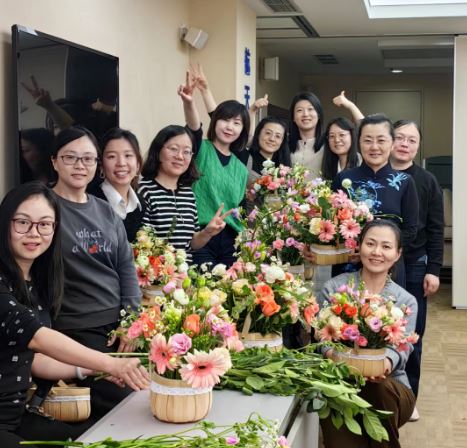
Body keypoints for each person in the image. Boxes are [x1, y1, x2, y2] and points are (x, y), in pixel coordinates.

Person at [0, 181, 149, 448]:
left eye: (45, 224)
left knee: (98, 439)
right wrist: (110, 363)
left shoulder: (38, 281)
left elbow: (34, 360)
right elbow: (36, 336)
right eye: (22, 222)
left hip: (16, 417)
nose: (34, 233)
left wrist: (91, 369)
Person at [50, 126, 142, 419]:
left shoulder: (104, 210)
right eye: (70, 158)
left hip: (118, 327)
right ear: (54, 161)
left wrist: (131, 320)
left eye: (88, 159)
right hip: (76, 329)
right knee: (129, 404)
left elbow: (126, 266)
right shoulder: (45, 208)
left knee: (164, 382)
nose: (80, 165)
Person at [314, 220, 417, 448]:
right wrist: (344, 362)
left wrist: (379, 367)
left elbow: (401, 349)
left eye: (386, 246)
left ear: (398, 254)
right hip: (340, 385)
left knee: (377, 386)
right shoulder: (334, 288)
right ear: (359, 247)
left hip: (389, 388)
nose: (377, 252)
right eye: (370, 244)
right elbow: (322, 339)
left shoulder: (406, 301)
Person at [390, 119, 444, 421]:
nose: (405, 144)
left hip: (414, 263)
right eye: (400, 137)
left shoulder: (427, 180)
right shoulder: (379, 175)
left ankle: (408, 397)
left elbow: (436, 228)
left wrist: (433, 269)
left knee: (411, 334)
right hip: (377, 262)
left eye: (412, 140)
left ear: (418, 146)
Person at [333, 114, 419, 286]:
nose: (374, 147)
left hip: (388, 267)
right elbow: (332, 223)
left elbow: (411, 230)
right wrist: (352, 249)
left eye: (381, 140)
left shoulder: (405, 182)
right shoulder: (343, 179)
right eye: (367, 140)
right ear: (359, 143)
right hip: (348, 265)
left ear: (392, 143)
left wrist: (381, 251)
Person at [179, 71, 250, 267]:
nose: (229, 127)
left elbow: (240, 209)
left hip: (231, 240)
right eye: (225, 120)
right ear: (215, 120)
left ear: (242, 130)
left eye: (236, 123)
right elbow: (194, 127)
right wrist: (189, 102)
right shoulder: (200, 148)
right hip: (200, 235)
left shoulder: (241, 168)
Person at [138, 125, 233, 264]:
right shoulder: (144, 190)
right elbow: (142, 242)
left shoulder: (188, 194)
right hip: (156, 272)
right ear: (158, 151)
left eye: (187, 152)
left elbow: (192, 244)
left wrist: (207, 232)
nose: (180, 156)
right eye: (173, 149)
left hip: (185, 273)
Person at [88, 127, 146, 242]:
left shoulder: (141, 205)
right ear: (101, 165)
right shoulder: (90, 202)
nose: (121, 163)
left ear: (138, 164)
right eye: (112, 156)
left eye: (128, 155)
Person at [288, 91, 325, 179]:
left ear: (319, 114)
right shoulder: (284, 143)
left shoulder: (328, 143)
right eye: (299, 110)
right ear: (293, 117)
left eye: (310, 109)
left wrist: (350, 106)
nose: (305, 114)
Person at [245, 116, 291, 183]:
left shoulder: (283, 167)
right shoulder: (244, 157)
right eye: (268, 133)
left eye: (278, 136)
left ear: (282, 141)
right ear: (258, 134)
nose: (272, 139)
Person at [321, 117, 361, 181]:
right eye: (332, 136)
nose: (336, 140)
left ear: (352, 135)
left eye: (341, 135)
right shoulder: (330, 166)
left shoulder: (362, 162)